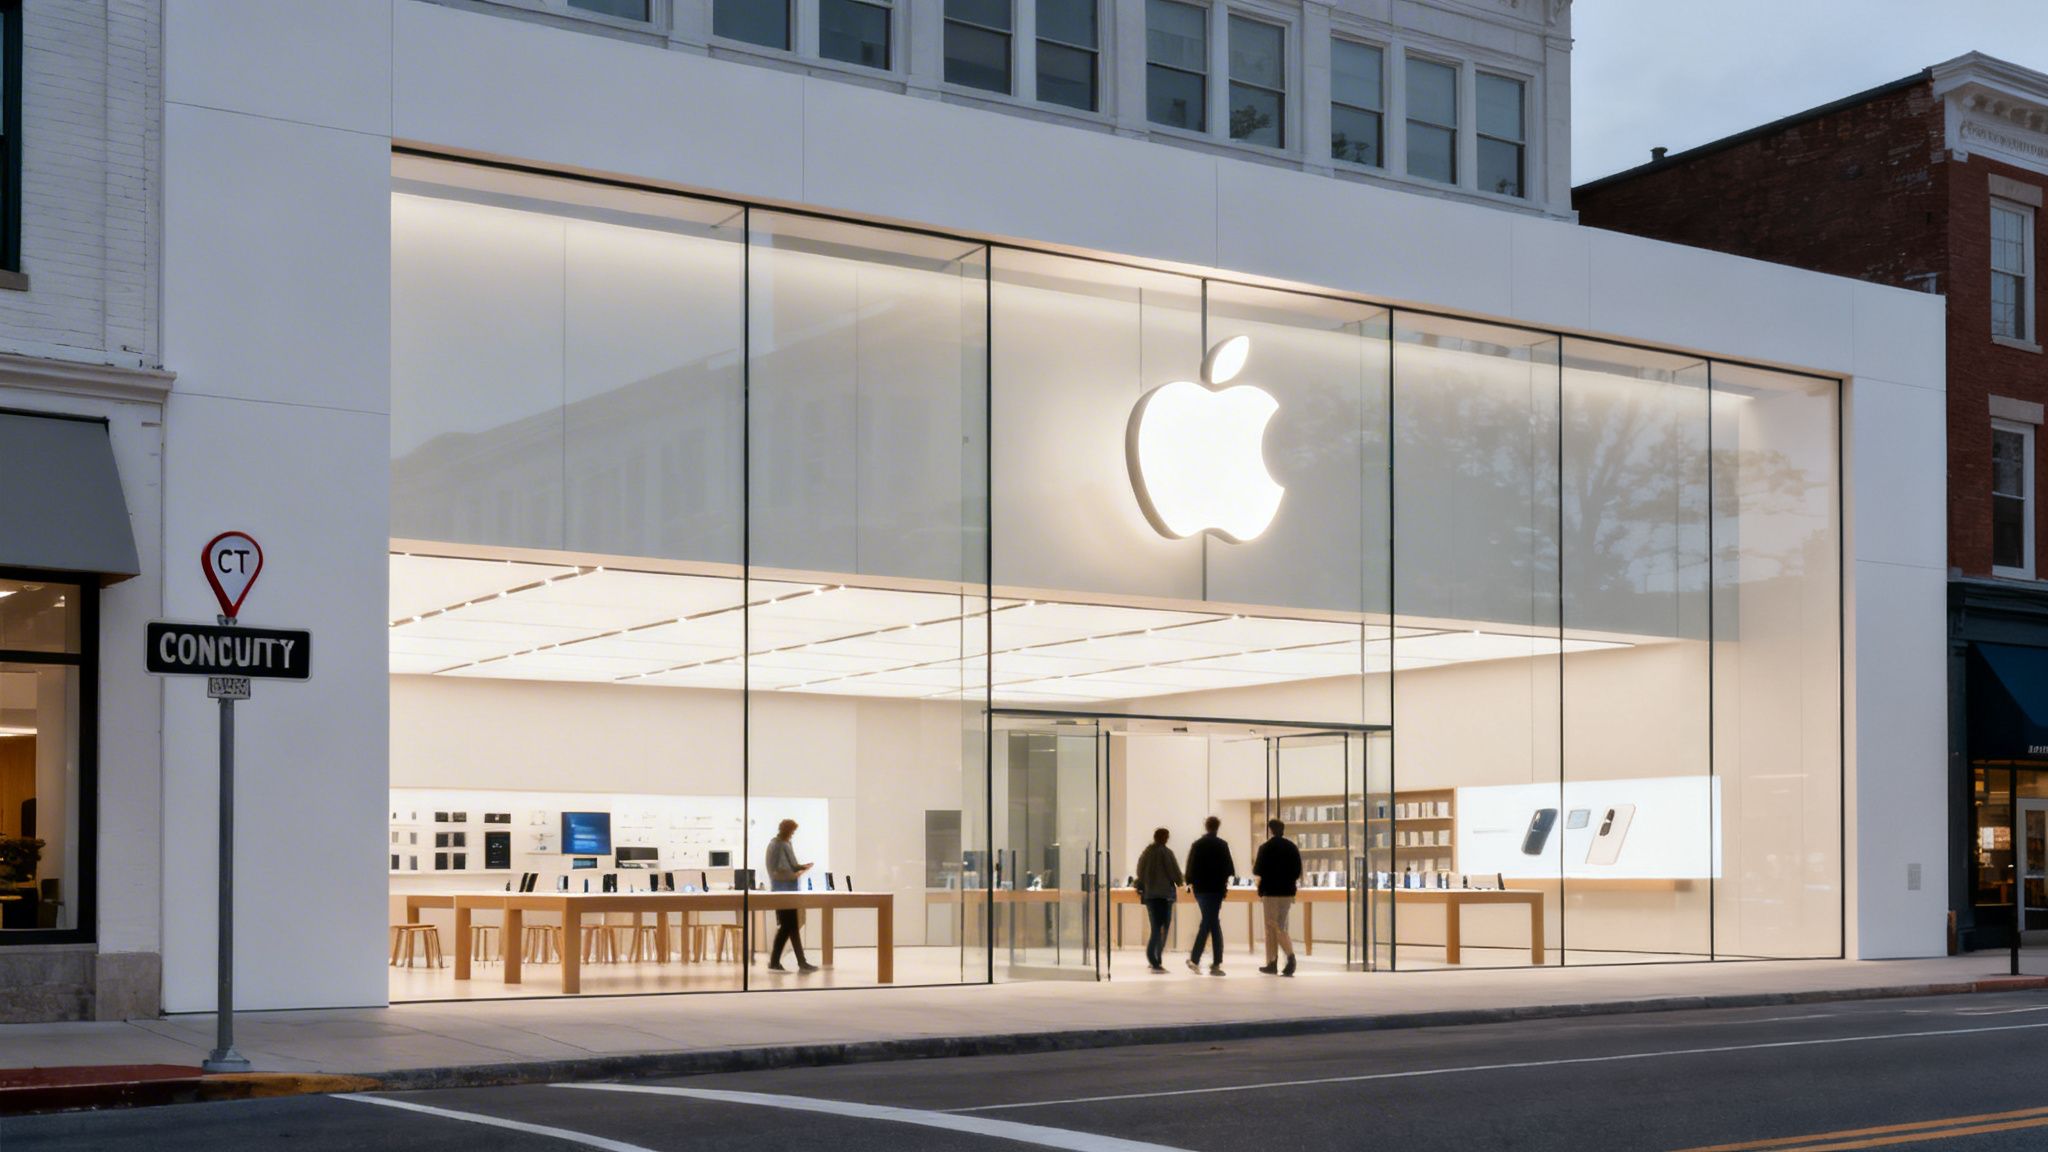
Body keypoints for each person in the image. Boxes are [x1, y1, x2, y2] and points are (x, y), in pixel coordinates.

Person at [1182, 815, 1236, 975]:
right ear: (1217, 827)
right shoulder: (1222, 845)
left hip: (1201, 889)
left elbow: (1189, 868)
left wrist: (1190, 883)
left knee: (1209, 921)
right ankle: (1214, 963)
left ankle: (1199, 960)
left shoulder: (1197, 845)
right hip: (1217, 889)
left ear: (1206, 827)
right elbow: (1229, 869)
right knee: (1211, 921)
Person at [765, 818, 817, 973]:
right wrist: (799, 871)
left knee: (791, 927)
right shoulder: (777, 845)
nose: (792, 834)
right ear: (786, 830)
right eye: (792, 831)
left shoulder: (783, 844)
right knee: (788, 927)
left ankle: (800, 962)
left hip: (787, 889)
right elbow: (782, 869)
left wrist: (800, 868)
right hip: (783, 890)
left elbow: (790, 865)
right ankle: (777, 962)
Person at [1252, 817, 1302, 977]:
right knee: (1280, 926)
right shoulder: (1292, 847)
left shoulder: (1265, 848)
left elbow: (1257, 870)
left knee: (1271, 927)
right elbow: (1297, 871)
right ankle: (1279, 960)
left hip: (1270, 892)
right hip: (1287, 892)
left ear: (1270, 830)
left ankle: (1281, 959)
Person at [1134, 827, 1184, 974]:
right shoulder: (1167, 853)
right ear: (1164, 838)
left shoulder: (1146, 853)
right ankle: (1155, 958)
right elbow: (1175, 874)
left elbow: (1140, 871)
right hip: (1164, 896)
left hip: (1150, 895)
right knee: (1163, 927)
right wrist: (1181, 882)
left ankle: (1154, 958)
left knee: (1155, 927)